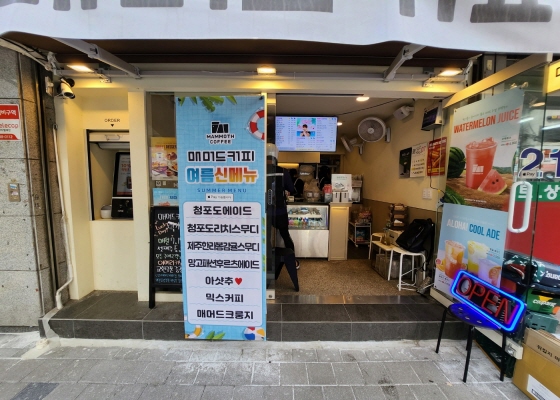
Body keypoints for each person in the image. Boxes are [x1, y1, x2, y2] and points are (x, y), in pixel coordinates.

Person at [267, 144, 300, 269]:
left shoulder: (259, 170)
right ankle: (293, 262)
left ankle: (267, 261)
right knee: (285, 236)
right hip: (280, 211)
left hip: (265, 211)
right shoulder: (283, 171)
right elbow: (291, 188)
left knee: (266, 236)